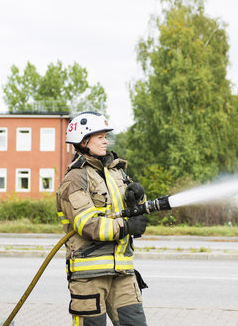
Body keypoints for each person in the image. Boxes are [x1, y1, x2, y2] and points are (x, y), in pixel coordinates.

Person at [56, 111, 149, 326]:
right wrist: (125, 227)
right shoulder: (75, 178)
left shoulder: (116, 172)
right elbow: (86, 223)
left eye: (106, 136)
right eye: (100, 136)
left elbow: (133, 214)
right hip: (89, 276)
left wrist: (139, 197)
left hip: (122, 272)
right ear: (83, 140)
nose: (106, 141)